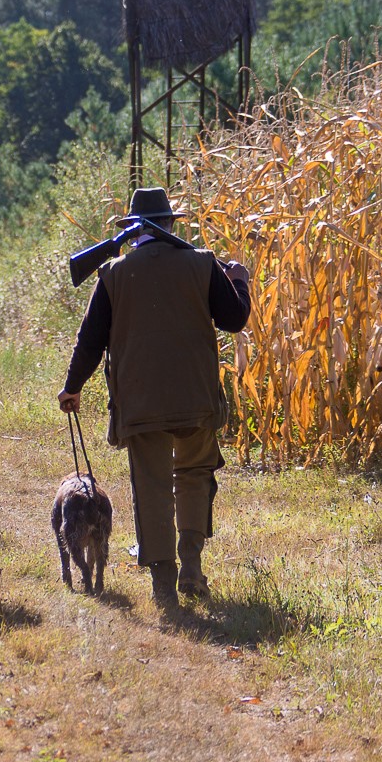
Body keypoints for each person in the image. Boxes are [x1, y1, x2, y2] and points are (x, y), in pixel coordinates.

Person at [57, 187, 251, 612]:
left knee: (152, 487)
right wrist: (238, 279)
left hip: (141, 404)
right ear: (169, 224)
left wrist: (72, 387)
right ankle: (192, 569)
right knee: (196, 475)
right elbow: (235, 319)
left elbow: (89, 342)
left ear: (132, 229)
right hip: (197, 398)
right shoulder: (202, 263)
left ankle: (164, 585)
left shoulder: (113, 273)